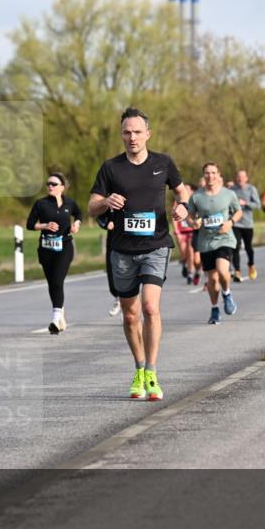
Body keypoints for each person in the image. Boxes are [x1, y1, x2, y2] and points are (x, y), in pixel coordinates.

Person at [87, 107, 190, 401]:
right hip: (122, 250)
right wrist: (106, 201)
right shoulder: (111, 168)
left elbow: (183, 192)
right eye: (126, 132)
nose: (132, 137)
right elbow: (91, 206)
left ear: (148, 134)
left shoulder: (163, 163)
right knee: (131, 315)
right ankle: (139, 368)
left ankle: (153, 372)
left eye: (137, 132)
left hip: (156, 246)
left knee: (149, 308)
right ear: (122, 135)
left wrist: (183, 207)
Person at [26, 172, 82, 333]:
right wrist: (44, 226)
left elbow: (78, 214)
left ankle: (55, 320)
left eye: (54, 184)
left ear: (62, 187)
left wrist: (76, 224)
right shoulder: (40, 204)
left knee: (57, 281)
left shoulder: (69, 203)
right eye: (48, 183)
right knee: (52, 283)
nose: (50, 186)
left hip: (64, 246)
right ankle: (60, 312)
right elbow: (30, 224)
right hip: (46, 248)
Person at [187, 162, 241, 325]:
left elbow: (238, 211)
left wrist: (230, 223)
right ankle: (215, 308)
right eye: (207, 173)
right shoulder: (196, 196)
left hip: (224, 239)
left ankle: (227, 293)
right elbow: (190, 216)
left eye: (213, 173)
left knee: (222, 270)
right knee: (212, 280)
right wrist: (193, 223)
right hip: (206, 241)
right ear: (204, 176)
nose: (210, 176)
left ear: (218, 175)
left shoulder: (228, 194)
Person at [229, 169, 260, 281]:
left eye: (242, 177)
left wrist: (245, 203)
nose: (240, 179)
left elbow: (257, 205)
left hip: (247, 223)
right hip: (235, 223)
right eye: (238, 177)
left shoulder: (251, 189)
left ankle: (251, 264)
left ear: (246, 178)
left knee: (248, 247)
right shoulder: (232, 190)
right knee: (235, 247)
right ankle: (237, 271)